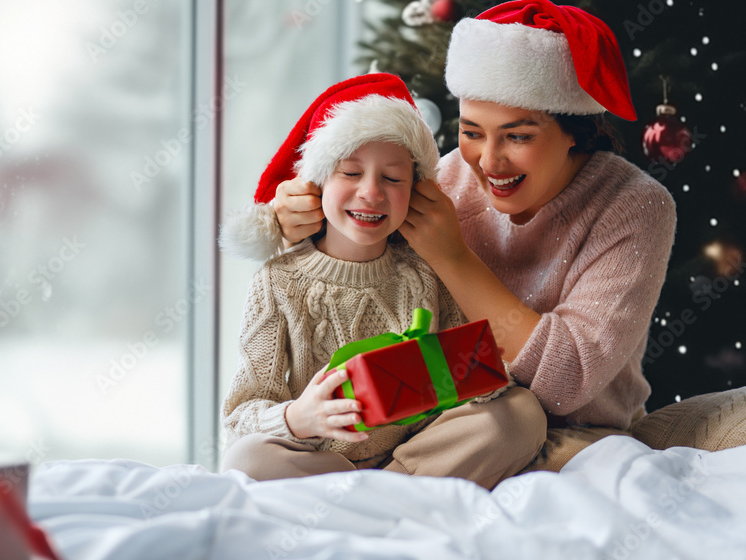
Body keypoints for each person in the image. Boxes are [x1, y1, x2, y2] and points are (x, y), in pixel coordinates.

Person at [268, 0, 682, 470]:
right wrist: (303, 215)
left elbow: (568, 382)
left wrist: (454, 258)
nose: (488, 161)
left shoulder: (633, 205)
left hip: (572, 432)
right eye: (471, 132)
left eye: (518, 136)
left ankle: (384, 489)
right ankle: (381, 483)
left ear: (575, 131)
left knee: (534, 430)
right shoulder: (447, 179)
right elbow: (360, 236)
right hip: (440, 422)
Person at [218, 72, 547, 489]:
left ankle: (386, 491)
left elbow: (474, 372)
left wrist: (472, 375)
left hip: (414, 454)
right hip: (321, 460)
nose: (371, 194)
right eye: (351, 173)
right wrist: (298, 418)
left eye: (392, 179)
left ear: (416, 189)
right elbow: (240, 415)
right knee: (244, 458)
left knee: (522, 413)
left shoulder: (424, 270)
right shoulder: (277, 282)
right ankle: (381, 494)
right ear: (316, 184)